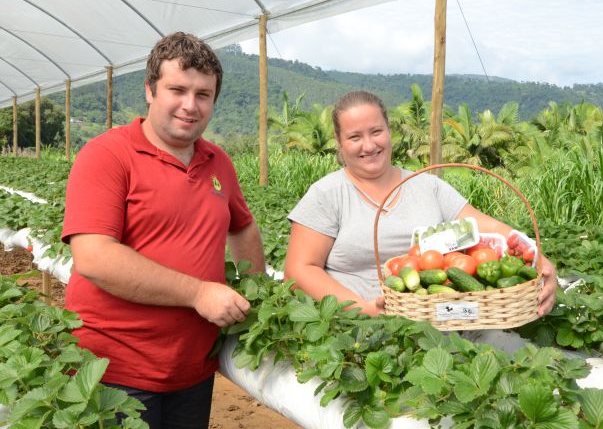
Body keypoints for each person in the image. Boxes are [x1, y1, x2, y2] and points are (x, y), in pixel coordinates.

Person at [61, 32, 265, 429]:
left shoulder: (217, 160)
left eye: (203, 94)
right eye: (177, 90)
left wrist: (253, 293)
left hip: (193, 368)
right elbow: (95, 257)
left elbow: (243, 227)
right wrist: (199, 292)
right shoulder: (107, 155)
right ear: (150, 90)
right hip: (115, 372)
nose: (191, 105)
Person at [284, 90, 557, 317]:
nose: (368, 145)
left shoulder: (427, 186)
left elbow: (485, 227)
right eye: (355, 137)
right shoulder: (328, 194)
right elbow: (299, 272)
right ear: (340, 143)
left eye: (376, 132)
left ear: (389, 132)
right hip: (355, 326)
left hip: (439, 320)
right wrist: (365, 310)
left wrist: (538, 257)